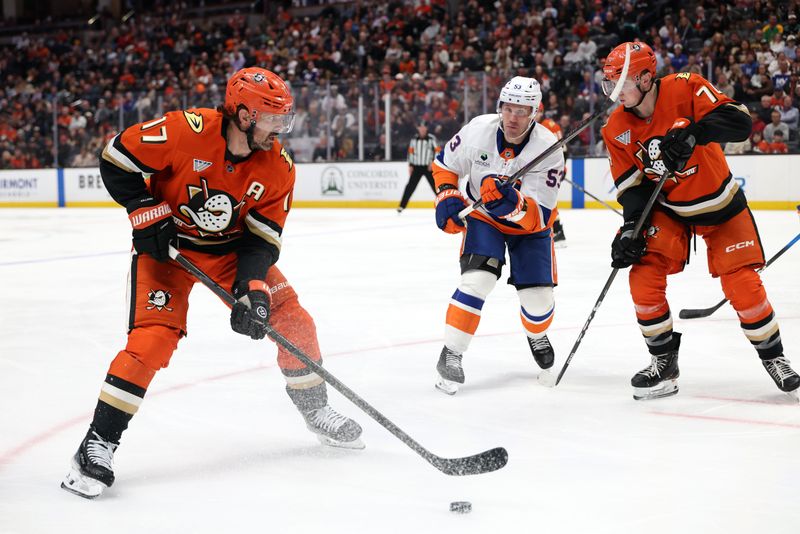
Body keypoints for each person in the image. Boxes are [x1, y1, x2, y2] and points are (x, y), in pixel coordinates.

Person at [61, 67, 363, 500]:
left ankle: (317, 412)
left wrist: (253, 290)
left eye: (283, 119)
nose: (280, 129)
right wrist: (145, 210)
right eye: (272, 118)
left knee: (294, 320)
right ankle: (99, 442)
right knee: (152, 341)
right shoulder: (184, 130)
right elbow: (116, 158)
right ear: (243, 114)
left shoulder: (278, 166)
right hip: (167, 249)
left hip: (230, 254)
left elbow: (261, 240)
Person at [600, 42, 799, 401]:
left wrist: (694, 132)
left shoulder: (685, 86)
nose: (615, 91)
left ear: (646, 78)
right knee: (642, 275)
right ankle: (663, 363)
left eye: (623, 81)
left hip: (721, 206)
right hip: (671, 210)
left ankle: (775, 358)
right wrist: (631, 228)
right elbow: (633, 189)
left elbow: (739, 122)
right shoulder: (615, 128)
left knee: (743, 285)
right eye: (610, 82)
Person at [431, 76, 565, 395]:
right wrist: (447, 194)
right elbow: (444, 164)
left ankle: (536, 334)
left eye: (523, 110)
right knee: (477, 281)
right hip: (484, 218)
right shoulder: (478, 129)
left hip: (530, 229)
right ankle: (451, 353)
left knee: (538, 302)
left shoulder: (548, 147)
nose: (514, 117)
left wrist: (513, 205)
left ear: (535, 112)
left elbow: (540, 216)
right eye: (508, 108)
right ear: (499, 107)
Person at [536, 102, 568, 247]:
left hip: (551, 169)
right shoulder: (537, 127)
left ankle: (557, 230)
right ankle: (554, 229)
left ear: (541, 111)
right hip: (544, 170)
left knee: (547, 199)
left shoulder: (548, 126)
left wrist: (559, 168)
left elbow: (562, 150)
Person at [397, 122, 438, 213]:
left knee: (436, 187)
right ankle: (402, 206)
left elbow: (438, 151)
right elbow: (410, 152)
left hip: (428, 167)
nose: (422, 129)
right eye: (421, 127)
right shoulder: (414, 139)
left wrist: (433, 163)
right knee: (410, 187)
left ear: (426, 128)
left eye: (424, 127)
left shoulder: (431, 139)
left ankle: (444, 204)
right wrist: (410, 165)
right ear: (418, 128)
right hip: (417, 167)